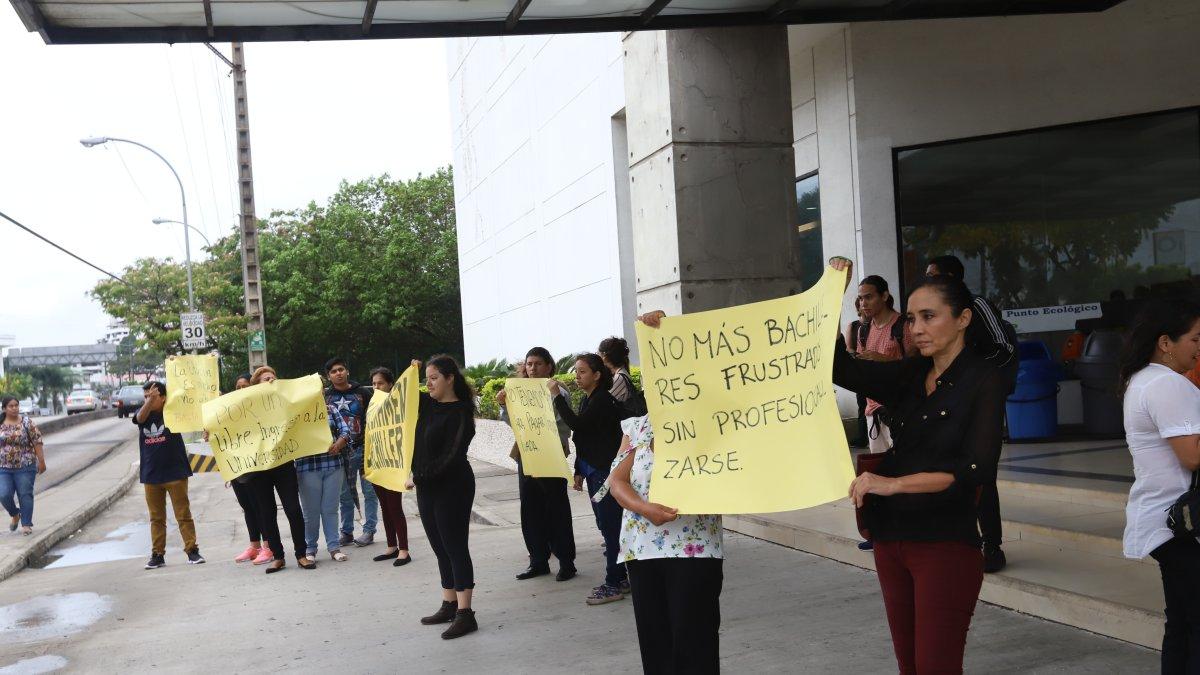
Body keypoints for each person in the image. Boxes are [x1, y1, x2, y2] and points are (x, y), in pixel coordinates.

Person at [830, 257, 1006, 674]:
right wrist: (830, 299)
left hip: (944, 542)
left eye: (929, 317)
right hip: (891, 541)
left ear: (963, 318)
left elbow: (977, 469)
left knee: (935, 667)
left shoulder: (985, 379)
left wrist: (893, 484)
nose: (916, 329)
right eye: (911, 319)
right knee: (909, 666)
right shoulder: (911, 372)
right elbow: (839, 367)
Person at [608, 407, 725, 674]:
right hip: (642, 550)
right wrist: (644, 508)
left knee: (696, 639)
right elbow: (617, 481)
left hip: (696, 550)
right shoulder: (637, 427)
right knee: (655, 640)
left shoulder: (713, 421)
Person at [1118, 298, 1200, 673]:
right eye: (1195, 340)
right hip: (1181, 524)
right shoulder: (1167, 383)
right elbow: (1192, 456)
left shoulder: (1143, 379)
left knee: (1182, 623)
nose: (1199, 349)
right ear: (1166, 342)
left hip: (1165, 523)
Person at [926, 254, 1018, 573]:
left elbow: (1004, 348)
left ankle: (992, 547)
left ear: (952, 277)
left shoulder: (977, 305)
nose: (928, 281)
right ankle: (965, 543)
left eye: (933, 275)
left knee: (982, 476)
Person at [552, 353, 629, 605]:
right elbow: (583, 438)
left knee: (611, 527)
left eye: (582, 371)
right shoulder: (590, 399)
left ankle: (614, 582)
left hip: (605, 472)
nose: (577, 376)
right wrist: (578, 469)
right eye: (576, 371)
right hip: (592, 469)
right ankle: (621, 575)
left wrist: (556, 397)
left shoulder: (602, 400)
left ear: (597, 374)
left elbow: (577, 425)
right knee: (605, 525)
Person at [412, 356, 479, 640]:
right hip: (426, 485)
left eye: (434, 378)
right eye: (426, 378)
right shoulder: (427, 405)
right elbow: (395, 397)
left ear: (450, 378)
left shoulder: (461, 412)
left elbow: (452, 456)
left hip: (453, 485)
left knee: (455, 547)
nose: (429, 383)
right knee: (439, 546)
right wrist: (409, 372)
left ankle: (466, 613)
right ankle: (449, 602)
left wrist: (419, 476)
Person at [496, 348, 576, 582]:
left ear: (549, 366)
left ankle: (566, 562)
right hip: (527, 453)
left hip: (550, 454)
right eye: (529, 364)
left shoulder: (557, 389)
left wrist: (551, 398)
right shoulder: (519, 391)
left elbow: (563, 422)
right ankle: (538, 560)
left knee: (556, 508)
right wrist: (504, 406)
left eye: (538, 364)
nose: (533, 368)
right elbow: (516, 423)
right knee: (530, 509)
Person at [134, 381, 205, 569]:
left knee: (183, 514)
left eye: (153, 396)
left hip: (175, 472)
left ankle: (192, 551)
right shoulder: (143, 414)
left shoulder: (173, 414)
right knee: (156, 518)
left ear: (164, 397)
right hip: (151, 474)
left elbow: (191, 401)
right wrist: (150, 401)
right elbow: (140, 418)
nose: (147, 400)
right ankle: (157, 555)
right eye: (145, 397)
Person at [246, 366, 308, 574]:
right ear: (257, 385)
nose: (271, 380)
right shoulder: (247, 408)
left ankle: (301, 554)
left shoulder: (286, 403)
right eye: (265, 379)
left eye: (273, 377)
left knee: (293, 509)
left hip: (283, 464)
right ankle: (278, 556)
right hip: (260, 468)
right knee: (267, 513)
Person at [854, 275, 917, 454]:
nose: (863, 303)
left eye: (868, 297)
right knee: (879, 466)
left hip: (900, 407)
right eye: (860, 298)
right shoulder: (863, 330)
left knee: (904, 463)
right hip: (872, 408)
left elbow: (916, 365)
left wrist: (884, 359)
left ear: (884, 296)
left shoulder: (903, 325)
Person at [325, 357, 379, 548]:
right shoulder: (325, 397)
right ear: (328, 376)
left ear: (347, 371)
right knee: (344, 494)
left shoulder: (363, 392)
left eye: (341, 369)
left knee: (370, 491)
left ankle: (369, 530)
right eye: (333, 371)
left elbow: (377, 415)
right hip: (339, 453)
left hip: (365, 448)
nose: (338, 373)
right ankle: (346, 532)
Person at [294, 398, 352, 568]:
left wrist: (339, 443)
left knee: (330, 509)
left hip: (333, 465)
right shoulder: (295, 412)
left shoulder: (331, 409)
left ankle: (334, 547)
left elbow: (345, 430)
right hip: (307, 468)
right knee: (310, 512)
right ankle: (310, 549)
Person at [368, 367, 412, 567]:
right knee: (384, 507)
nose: (377, 387)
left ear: (391, 385)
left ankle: (404, 549)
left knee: (395, 507)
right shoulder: (372, 405)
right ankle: (391, 546)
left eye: (381, 383)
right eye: (374, 384)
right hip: (378, 462)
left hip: (394, 463)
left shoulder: (399, 405)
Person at [228, 373, 271, 565]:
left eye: (245, 386)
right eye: (238, 387)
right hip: (238, 468)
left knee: (260, 507)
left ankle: (268, 547)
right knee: (247, 507)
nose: (241, 390)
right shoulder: (229, 411)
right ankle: (255, 546)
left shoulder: (259, 409)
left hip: (257, 466)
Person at [0, 396, 45, 536]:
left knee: (25, 494)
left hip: (25, 465)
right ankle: (15, 514)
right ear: (4, 408)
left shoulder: (27, 422)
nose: (14, 408)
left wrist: (41, 461)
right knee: (4, 494)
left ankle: (26, 524)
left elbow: (37, 441)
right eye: (11, 406)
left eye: (16, 405)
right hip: (3, 467)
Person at [844, 297, 870, 449]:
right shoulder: (854, 326)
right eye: (860, 305)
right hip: (860, 367)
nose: (864, 307)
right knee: (862, 404)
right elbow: (849, 348)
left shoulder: (874, 325)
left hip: (871, 367)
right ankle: (862, 436)